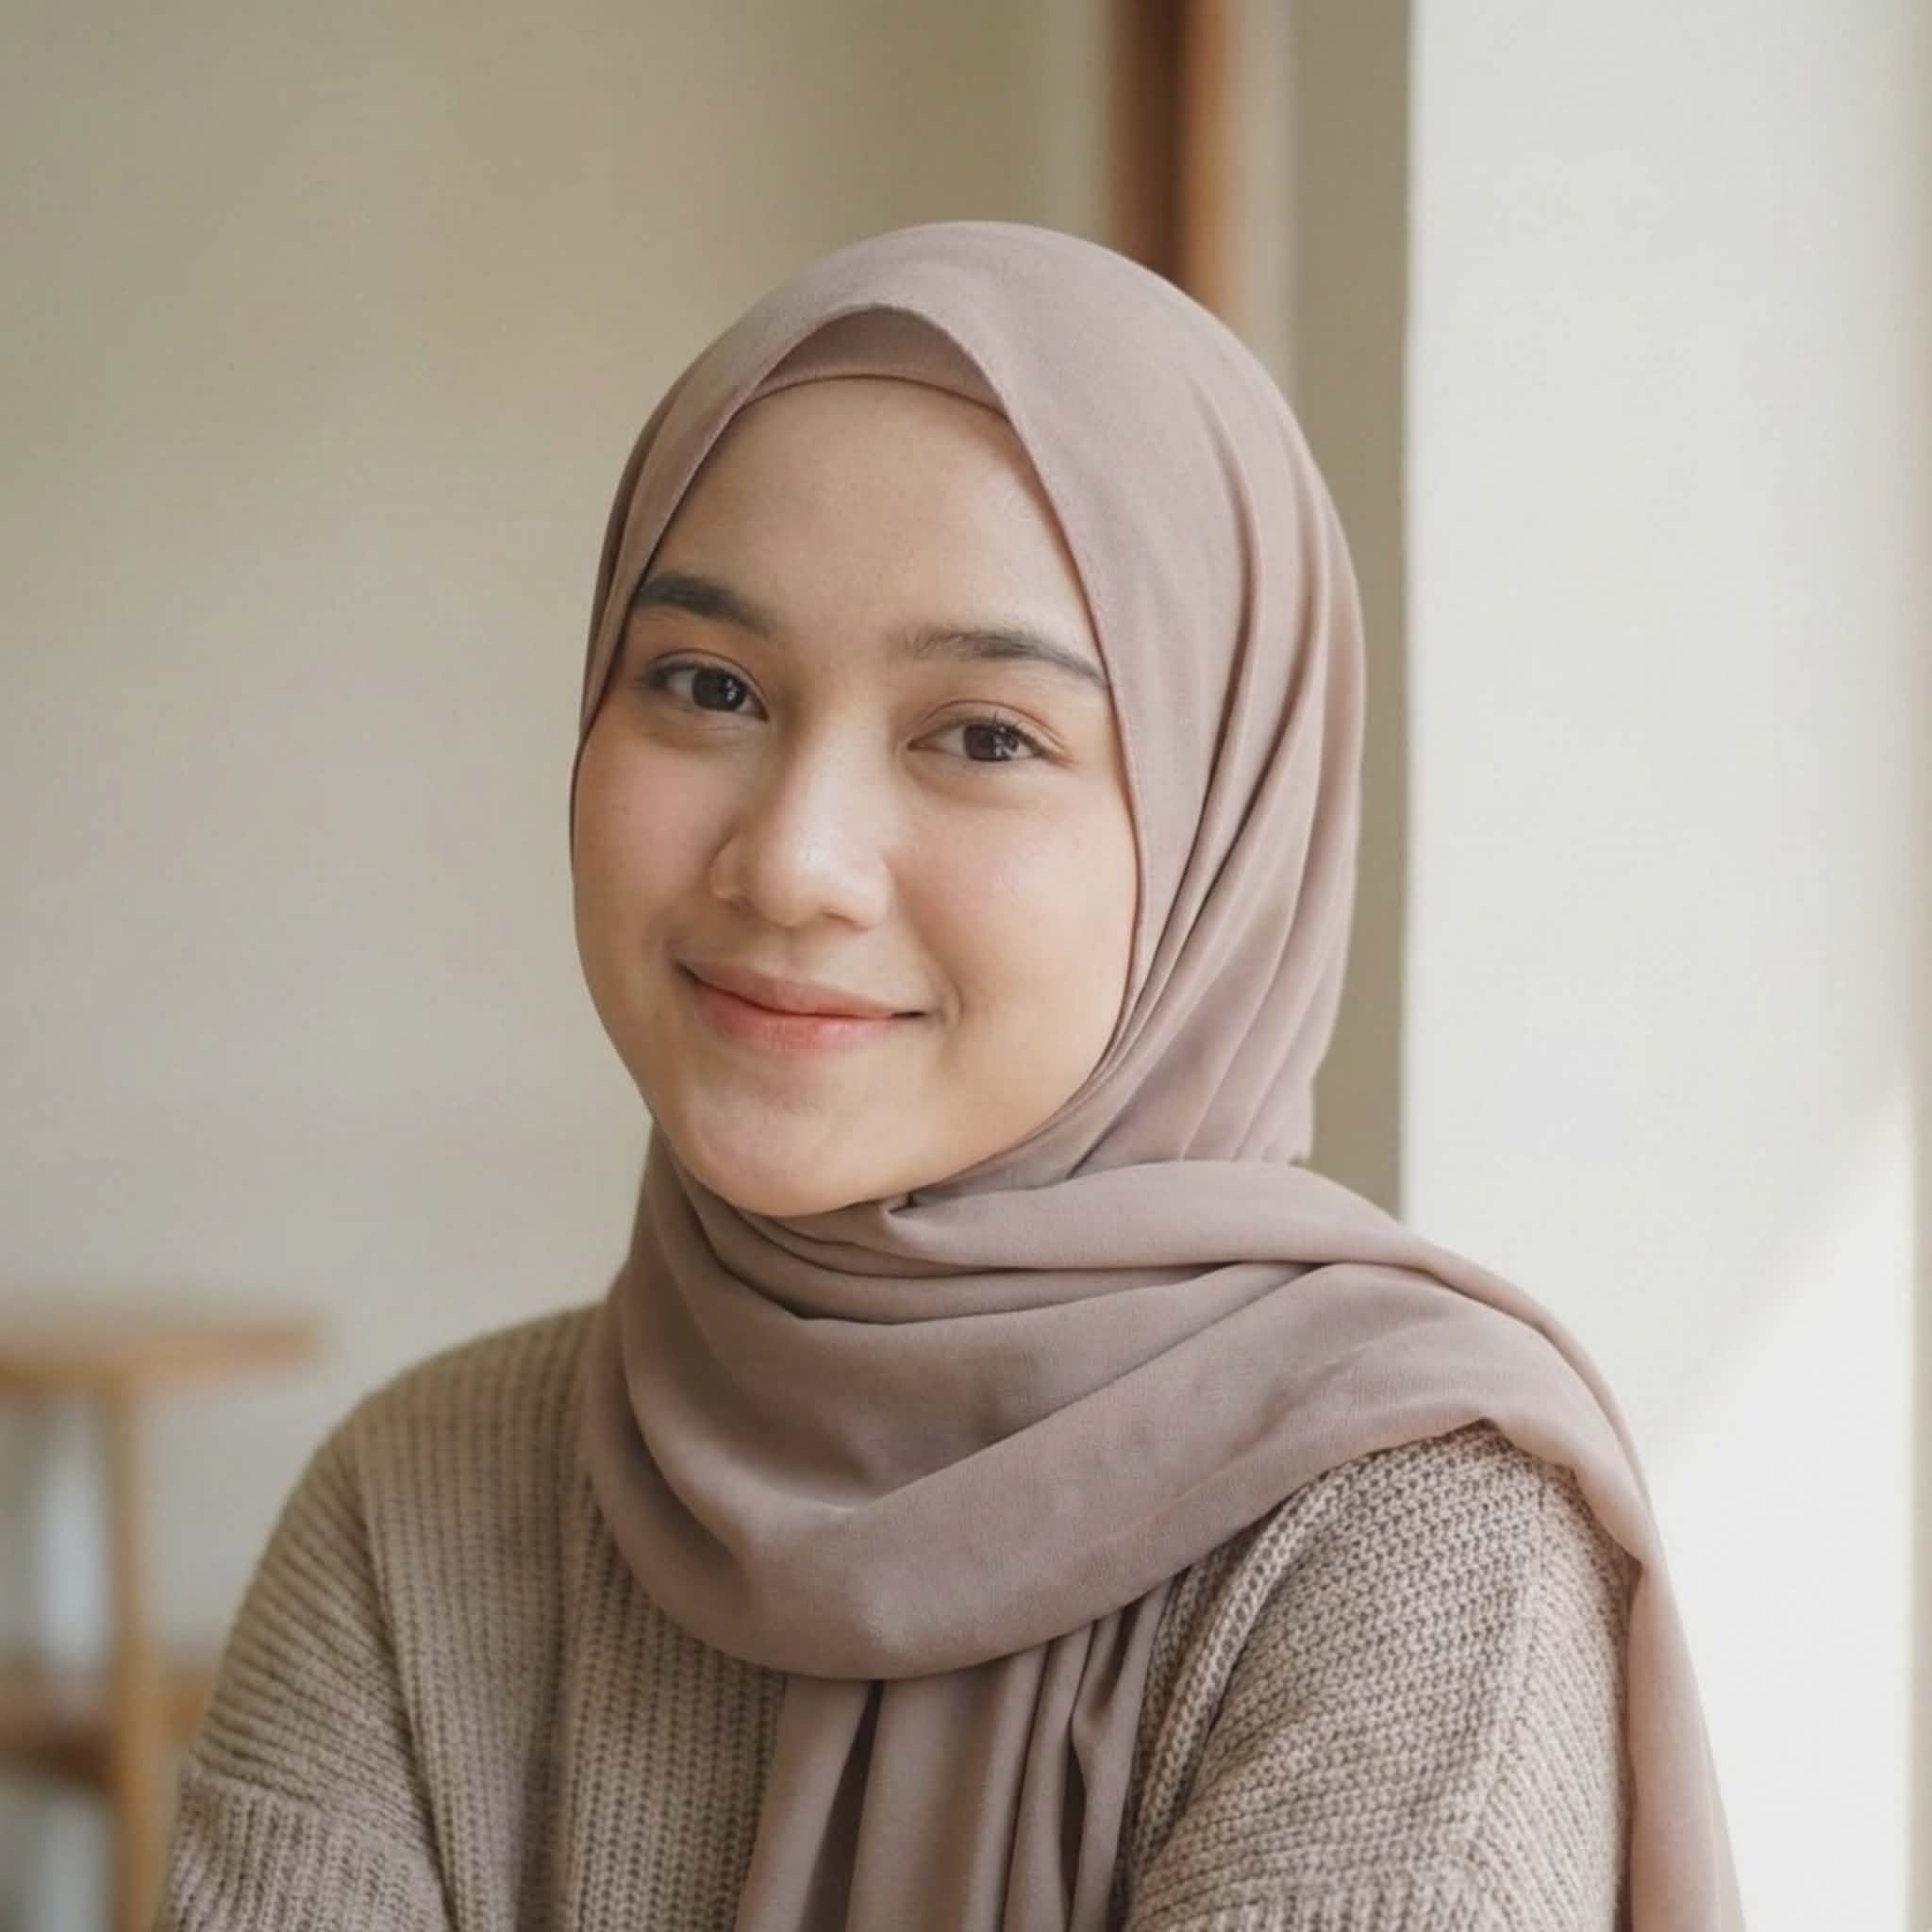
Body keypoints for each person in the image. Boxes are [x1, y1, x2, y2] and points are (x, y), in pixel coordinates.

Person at [156, 222, 1742, 1931]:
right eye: (707, 685)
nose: (794, 864)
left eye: (985, 734)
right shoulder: (422, 1503)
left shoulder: (1407, 1548)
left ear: (1221, 833)